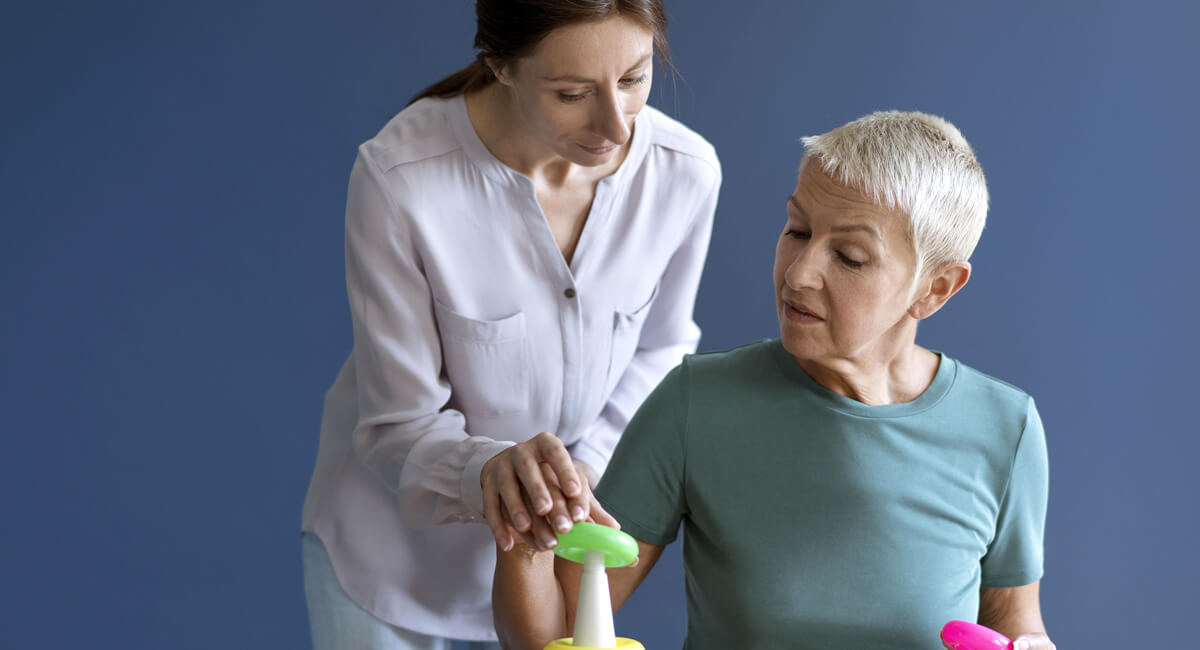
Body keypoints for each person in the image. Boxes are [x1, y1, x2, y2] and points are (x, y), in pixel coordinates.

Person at [493, 111, 1056, 650]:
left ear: (936, 289)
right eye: (797, 229)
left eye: (851, 257)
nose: (799, 272)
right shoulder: (696, 403)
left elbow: (1016, 628)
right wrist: (524, 538)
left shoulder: (1006, 429)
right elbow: (556, 634)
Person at [299, 0, 721, 648]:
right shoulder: (400, 181)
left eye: (635, 78)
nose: (614, 124)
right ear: (499, 66)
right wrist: (487, 470)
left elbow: (662, 347)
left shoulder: (685, 173)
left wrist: (586, 469)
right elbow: (394, 425)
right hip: (394, 572)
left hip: (555, 580)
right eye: (573, 93)